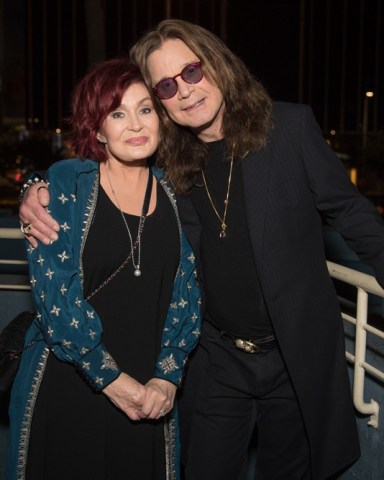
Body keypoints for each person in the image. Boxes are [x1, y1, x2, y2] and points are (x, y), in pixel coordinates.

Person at [18, 19, 384, 480]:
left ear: (217, 63)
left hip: (296, 358)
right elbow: (95, 166)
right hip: (216, 359)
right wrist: (33, 190)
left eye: (191, 72)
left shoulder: (289, 128)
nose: (186, 91)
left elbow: (352, 214)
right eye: (167, 86)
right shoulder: (170, 161)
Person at [9, 57, 201, 480]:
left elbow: (187, 295)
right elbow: (54, 295)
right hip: (71, 385)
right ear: (97, 129)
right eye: (118, 113)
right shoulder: (66, 184)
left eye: (145, 109)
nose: (135, 124)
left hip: (150, 395)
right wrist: (113, 381)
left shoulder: (177, 192)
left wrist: (167, 378)